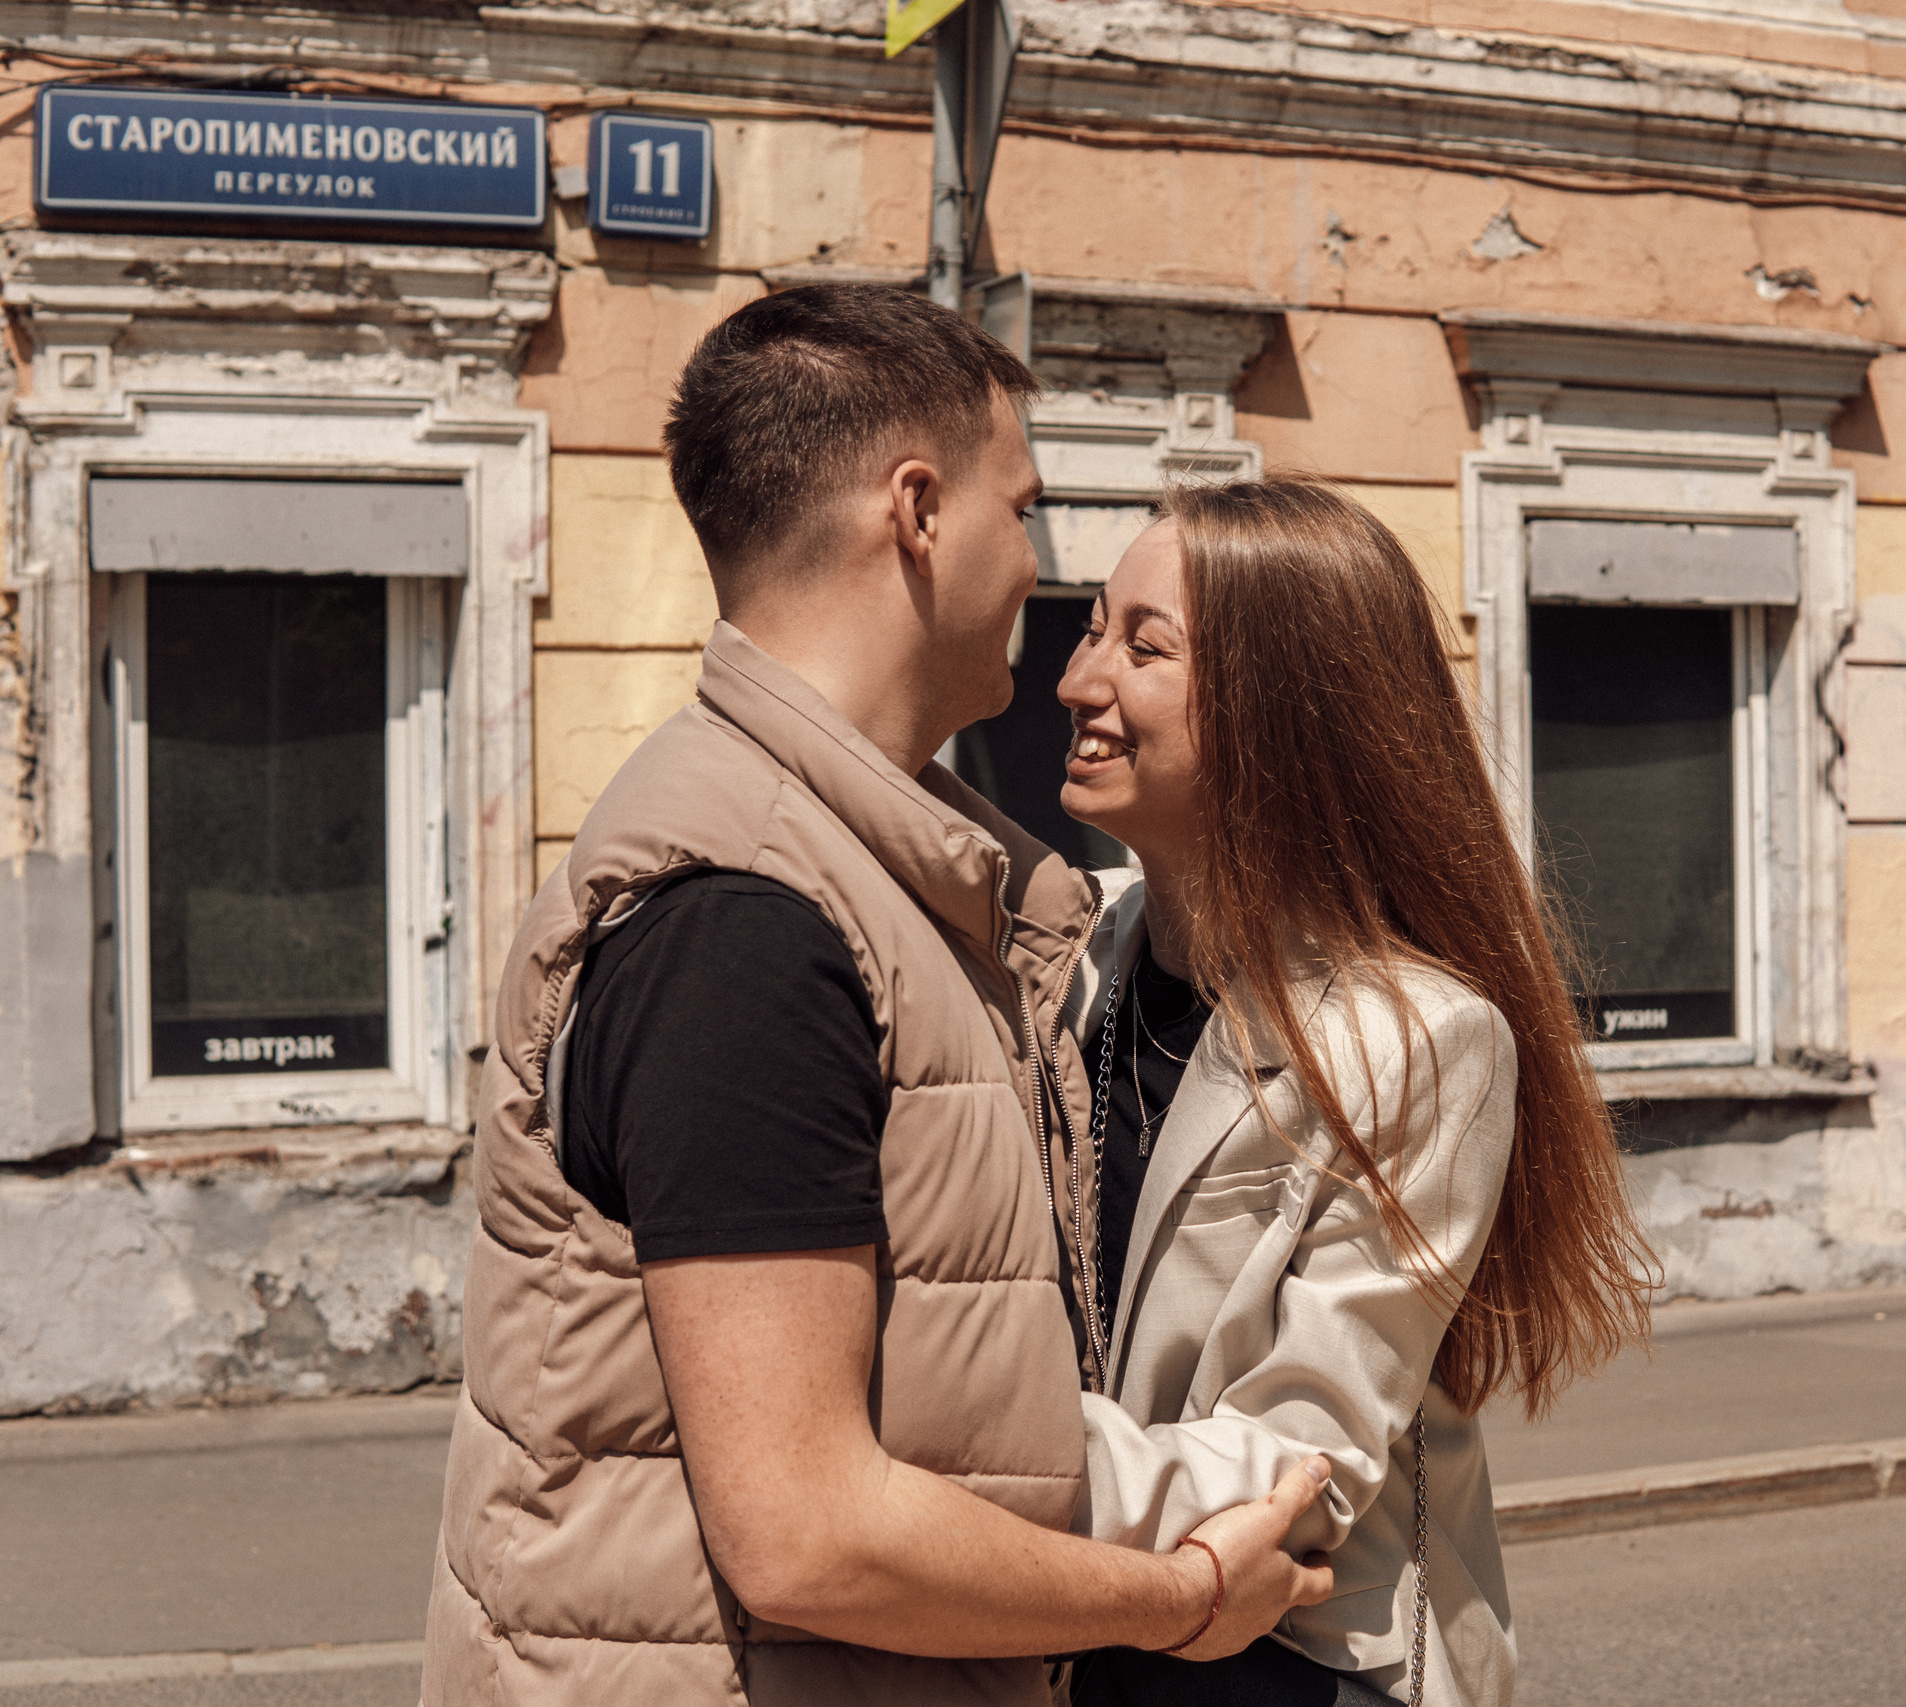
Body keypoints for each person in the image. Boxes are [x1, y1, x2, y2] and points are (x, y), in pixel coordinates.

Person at [422, 284, 1336, 1706]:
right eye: (1021, 508)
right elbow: (809, 1534)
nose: (1036, 570)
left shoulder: (870, 877)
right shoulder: (753, 924)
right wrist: (1184, 1596)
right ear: (917, 510)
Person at [1050, 480, 1658, 1705]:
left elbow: (1300, 1459)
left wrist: (959, 1468)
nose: (1077, 679)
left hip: (1295, 1665)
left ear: (1277, 717)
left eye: (1144, 645)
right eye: (1092, 626)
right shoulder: (1073, 967)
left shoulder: (1420, 1040)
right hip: (1084, 1634)